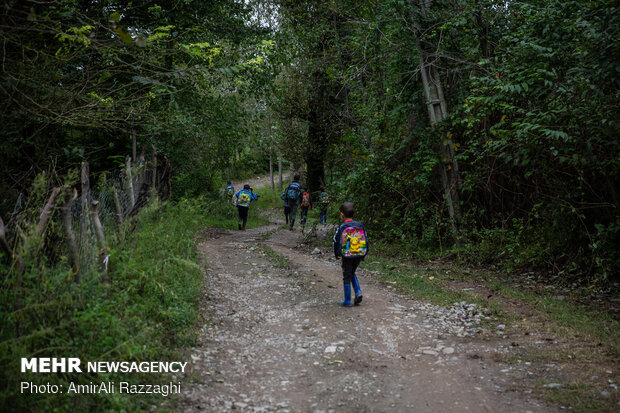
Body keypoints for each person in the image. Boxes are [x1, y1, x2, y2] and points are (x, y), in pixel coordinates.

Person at [333, 202, 368, 306]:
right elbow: (365, 240)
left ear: (342, 214)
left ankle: (347, 300)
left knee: (346, 275)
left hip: (347, 255)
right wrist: (364, 254)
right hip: (359, 253)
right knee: (352, 272)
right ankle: (358, 292)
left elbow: (335, 241)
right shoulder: (360, 225)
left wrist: (337, 253)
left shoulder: (342, 227)